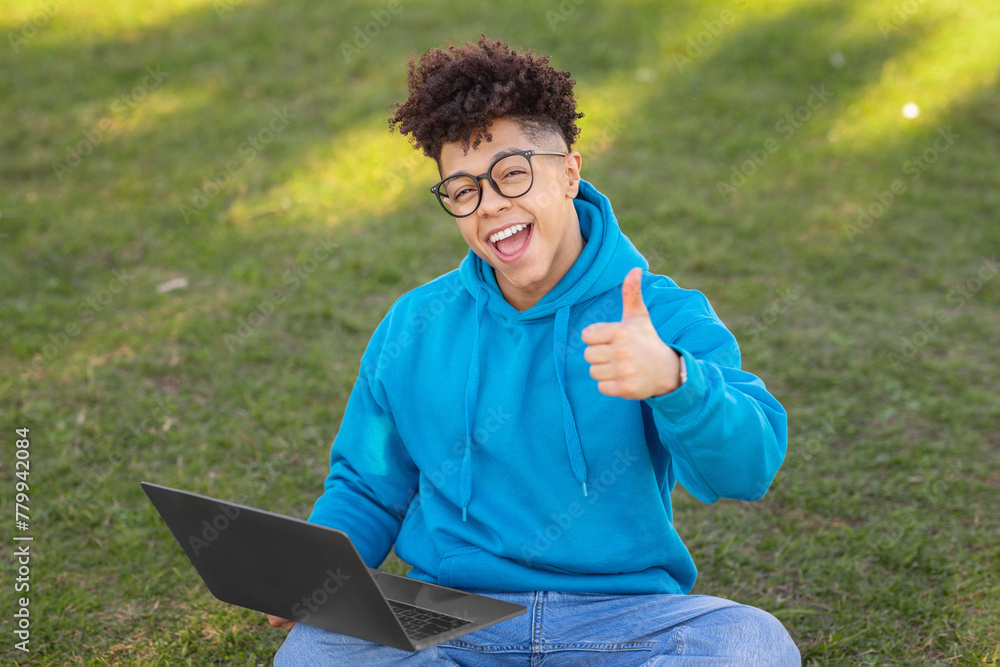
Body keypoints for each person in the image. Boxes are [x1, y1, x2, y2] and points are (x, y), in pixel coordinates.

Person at [271, 35, 800, 665]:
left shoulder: (662, 314)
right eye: (463, 190)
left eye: (512, 173)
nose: (491, 205)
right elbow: (367, 484)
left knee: (750, 643)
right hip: (452, 613)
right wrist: (319, 572)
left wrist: (675, 382)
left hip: (622, 616)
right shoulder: (416, 322)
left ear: (570, 173)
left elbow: (747, 467)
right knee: (315, 651)